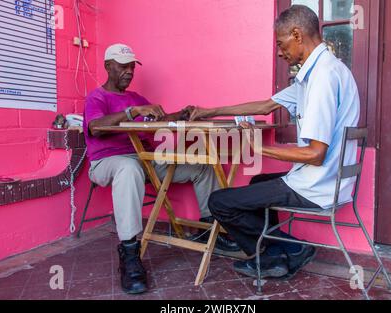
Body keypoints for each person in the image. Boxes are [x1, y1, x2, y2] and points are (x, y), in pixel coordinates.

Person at [185, 5, 360, 280]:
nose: (279, 52)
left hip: (318, 185)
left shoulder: (322, 78)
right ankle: (277, 254)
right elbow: (266, 106)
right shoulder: (318, 72)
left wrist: (256, 148)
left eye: (281, 43)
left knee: (219, 201)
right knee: (257, 184)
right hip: (331, 179)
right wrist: (208, 112)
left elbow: (316, 154)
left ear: (297, 35)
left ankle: (287, 249)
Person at [83, 44, 239, 295]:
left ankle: (210, 229)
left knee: (203, 165)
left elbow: (161, 120)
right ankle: (130, 252)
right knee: (128, 169)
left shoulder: (136, 98)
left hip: (145, 159)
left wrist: (183, 114)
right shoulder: (97, 97)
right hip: (108, 161)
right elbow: (95, 127)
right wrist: (131, 112)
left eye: (132, 67)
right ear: (108, 66)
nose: (129, 71)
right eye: (123, 66)